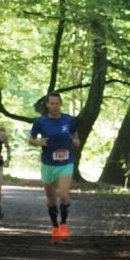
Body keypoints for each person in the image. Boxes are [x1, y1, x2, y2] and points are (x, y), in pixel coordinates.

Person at [28, 91, 79, 241]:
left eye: (57, 103)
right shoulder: (40, 122)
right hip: (48, 163)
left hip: (66, 162)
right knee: (51, 200)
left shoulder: (69, 120)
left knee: (63, 195)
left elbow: (75, 134)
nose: (55, 106)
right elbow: (30, 139)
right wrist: (38, 142)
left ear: (60, 104)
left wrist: (76, 140)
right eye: (52, 103)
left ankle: (63, 225)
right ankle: (55, 227)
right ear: (47, 105)